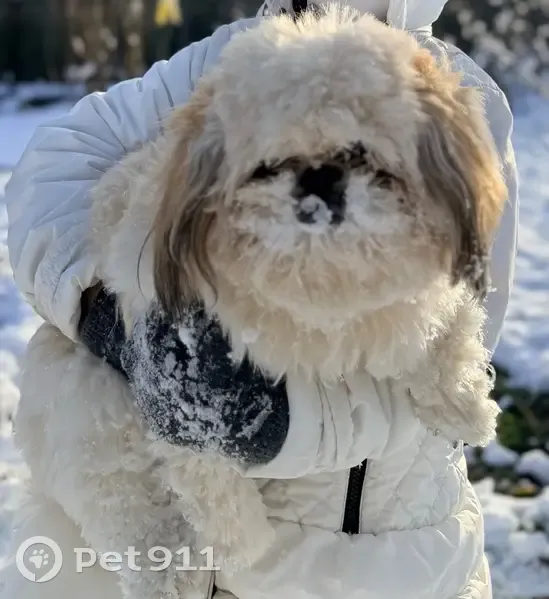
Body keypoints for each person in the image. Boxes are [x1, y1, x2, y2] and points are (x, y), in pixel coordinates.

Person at [4, 1, 518, 599]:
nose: (317, 193)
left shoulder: (458, 92)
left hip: (395, 555)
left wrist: (280, 424)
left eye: (362, 161)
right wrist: (103, 314)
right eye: (276, 166)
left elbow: (467, 299)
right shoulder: (222, 63)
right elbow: (54, 166)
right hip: (198, 548)